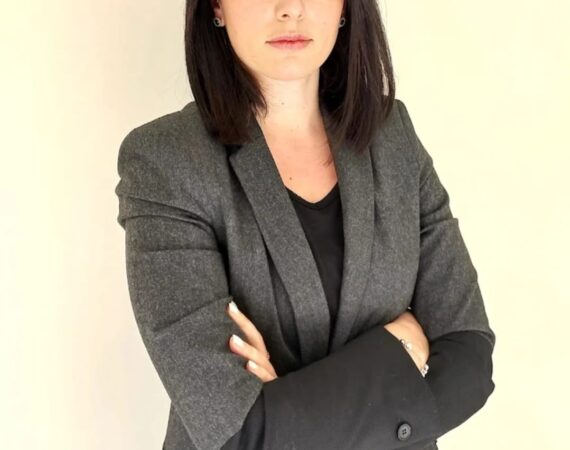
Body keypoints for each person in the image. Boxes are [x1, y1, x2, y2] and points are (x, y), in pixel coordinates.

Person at [114, 1, 496, 449]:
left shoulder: (392, 134)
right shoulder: (166, 162)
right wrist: (402, 345)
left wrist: (287, 407)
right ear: (216, 6)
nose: (290, 8)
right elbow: (238, 433)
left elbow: (469, 358)